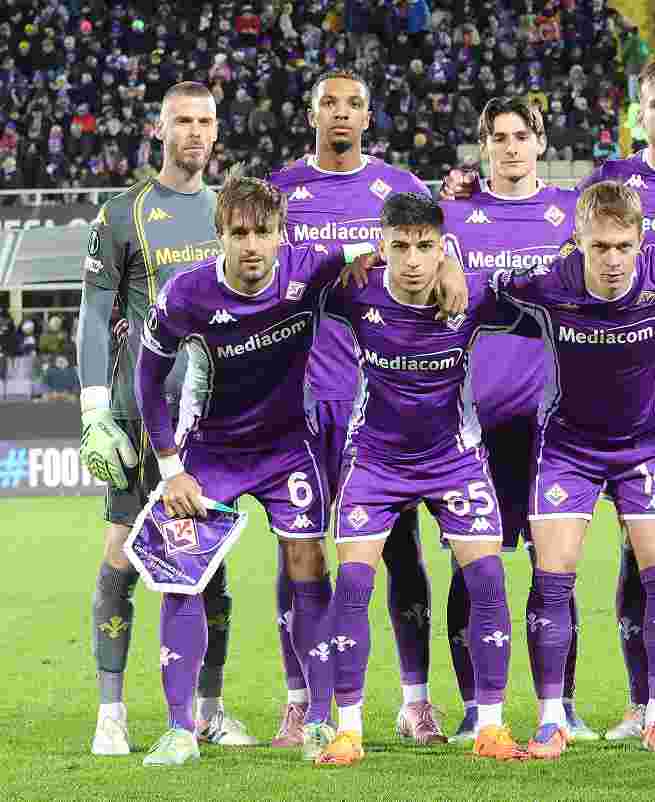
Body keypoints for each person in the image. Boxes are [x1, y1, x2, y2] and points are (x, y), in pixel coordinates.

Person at [131, 167, 378, 766]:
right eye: (238, 233)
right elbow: (148, 380)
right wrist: (170, 469)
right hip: (208, 454)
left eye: (262, 233)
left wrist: (439, 263)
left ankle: (318, 721)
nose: (251, 246)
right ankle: (180, 729)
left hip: (287, 450)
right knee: (182, 575)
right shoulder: (186, 294)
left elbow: (381, 243)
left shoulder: (308, 268)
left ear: (280, 235)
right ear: (220, 235)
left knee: (307, 568)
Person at [491, 182, 655, 759]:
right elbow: (487, 285)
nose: (612, 260)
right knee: (553, 577)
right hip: (567, 448)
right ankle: (552, 720)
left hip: (644, 447)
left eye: (623, 246)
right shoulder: (548, 282)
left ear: (640, 240)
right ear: (577, 240)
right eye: (599, 246)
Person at [315, 192, 526, 766]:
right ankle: (347, 730)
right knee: (352, 584)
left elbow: (540, 297)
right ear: (382, 246)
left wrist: (455, 263)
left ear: (442, 247)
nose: (412, 259)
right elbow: (298, 259)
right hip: (375, 461)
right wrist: (352, 254)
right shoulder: (355, 291)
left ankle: (491, 726)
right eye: (400, 246)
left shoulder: (472, 295)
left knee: (488, 579)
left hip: (453, 458)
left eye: (426, 247)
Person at [77, 81, 254, 757]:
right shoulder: (123, 214)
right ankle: (111, 712)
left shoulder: (229, 211)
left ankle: (208, 710)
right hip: (139, 413)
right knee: (121, 554)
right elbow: (96, 312)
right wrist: (94, 410)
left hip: (210, 421)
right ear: (159, 129)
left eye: (205, 121)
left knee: (210, 564)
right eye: (182, 121)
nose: (195, 132)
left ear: (217, 130)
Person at [267, 69, 439, 752]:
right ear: (312, 114)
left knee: (401, 549)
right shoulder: (280, 192)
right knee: (299, 550)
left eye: (354, 105)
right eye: (329, 103)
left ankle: (415, 702)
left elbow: (442, 264)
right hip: (301, 399)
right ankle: (301, 703)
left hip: (383, 400)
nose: (341, 113)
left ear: (369, 118)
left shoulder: (401, 188)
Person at [439, 97, 594, 744]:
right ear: (482, 147)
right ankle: (473, 706)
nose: (510, 147)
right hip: (473, 422)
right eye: (497, 137)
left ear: (540, 143)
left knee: (553, 566)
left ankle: (564, 704)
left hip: (551, 421)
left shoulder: (571, 214)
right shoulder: (453, 216)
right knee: (472, 566)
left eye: (521, 136)